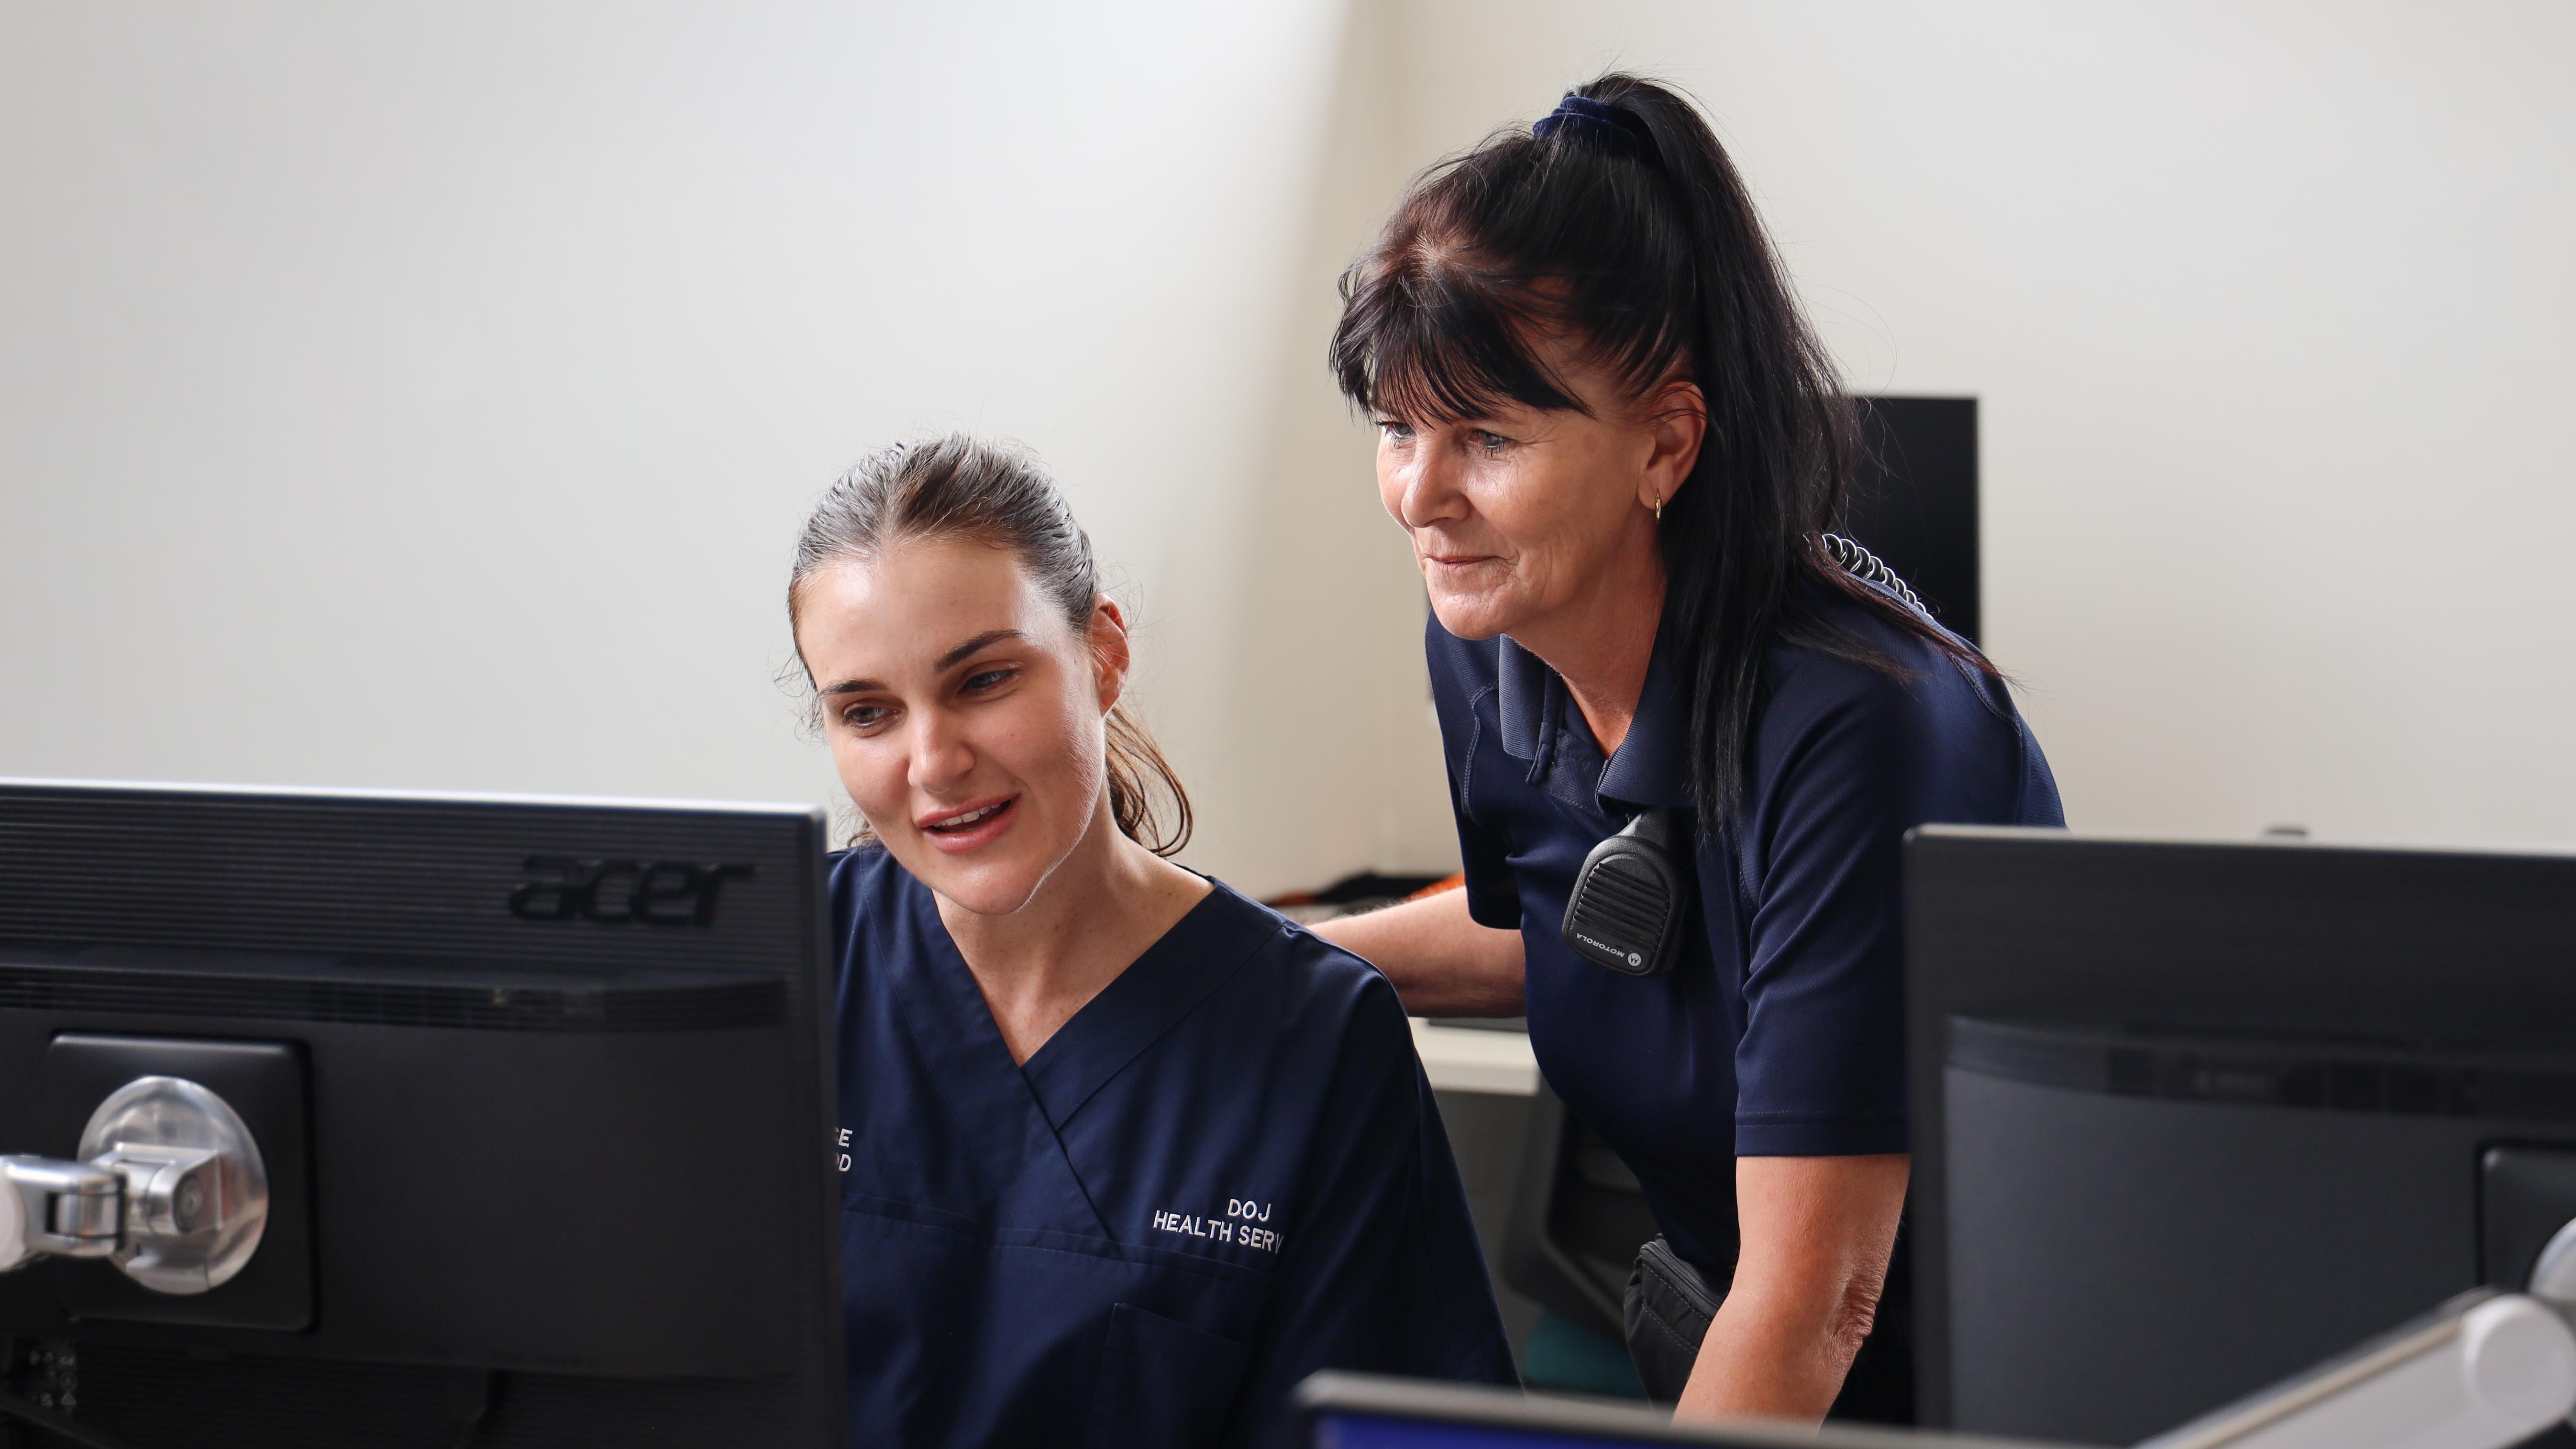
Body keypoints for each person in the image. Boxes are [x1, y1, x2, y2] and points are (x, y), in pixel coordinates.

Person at [1314, 76, 2064, 1422]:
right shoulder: (1494, 640)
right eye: (1395, 427)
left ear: (1665, 441)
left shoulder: (1866, 728)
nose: (1421, 497)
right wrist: (1246, 960)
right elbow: (1564, 934)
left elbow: (1818, 1296)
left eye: (1486, 436)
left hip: (1976, 1390)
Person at [788, 434, 1515, 1448]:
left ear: (1103, 655)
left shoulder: (1315, 1040)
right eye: (867, 712)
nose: (933, 762)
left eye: (984, 681)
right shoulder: (783, 972)